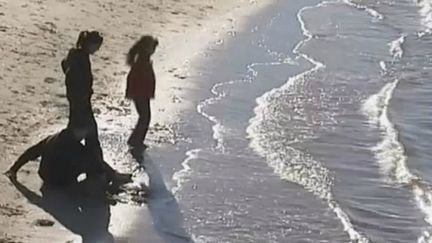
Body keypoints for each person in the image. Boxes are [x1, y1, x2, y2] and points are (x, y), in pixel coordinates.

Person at [4, 127, 131, 188]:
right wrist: (111, 174)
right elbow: (95, 161)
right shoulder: (76, 148)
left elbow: (31, 152)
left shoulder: (52, 138)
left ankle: (110, 175)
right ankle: (111, 177)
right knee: (92, 165)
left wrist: (14, 168)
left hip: (44, 174)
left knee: (86, 161)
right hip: (59, 181)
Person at [61, 30, 104, 161]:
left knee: (75, 130)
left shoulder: (76, 53)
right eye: (96, 46)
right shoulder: (80, 57)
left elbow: (64, 64)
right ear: (90, 44)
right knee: (90, 133)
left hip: (77, 99)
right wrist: (83, 95)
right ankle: (98, 166)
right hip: (81, 101)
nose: (97, 49)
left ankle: (64, 156)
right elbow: (74, 76)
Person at [125, 35, 158, 149]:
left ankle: (136, 139)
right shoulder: (142, 60)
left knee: (144, 116)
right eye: (152, 48)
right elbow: (133, 77)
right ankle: (136, 140)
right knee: (145, 117)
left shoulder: (143, 59)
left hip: (141, 93)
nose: (153, 51)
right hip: (140, 93)